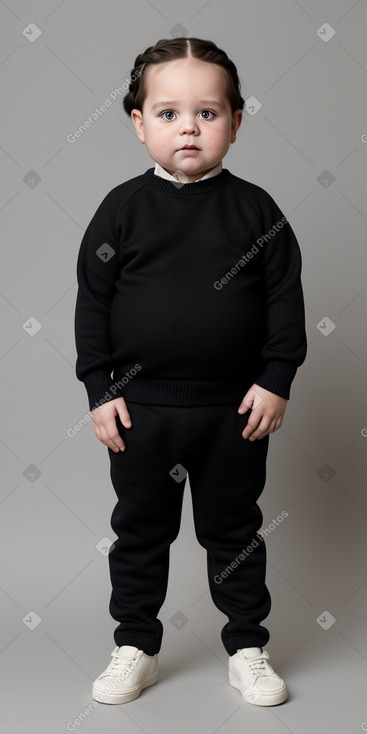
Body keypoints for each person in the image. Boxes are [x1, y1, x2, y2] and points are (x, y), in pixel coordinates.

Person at [74, 36, 307, 708]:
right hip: (138, 411)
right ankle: (135, 645)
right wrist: (99, 389)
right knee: (141, 529)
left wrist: (276, 378)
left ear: (235, 122)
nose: (188, 128)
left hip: (233, 411)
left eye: (207, 113)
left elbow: (284, 303)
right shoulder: (122, 209)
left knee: (232, 530)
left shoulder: (256, 212)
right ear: (138, 122)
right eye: (169, 112)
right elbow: (94, 300)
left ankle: (246, 647)